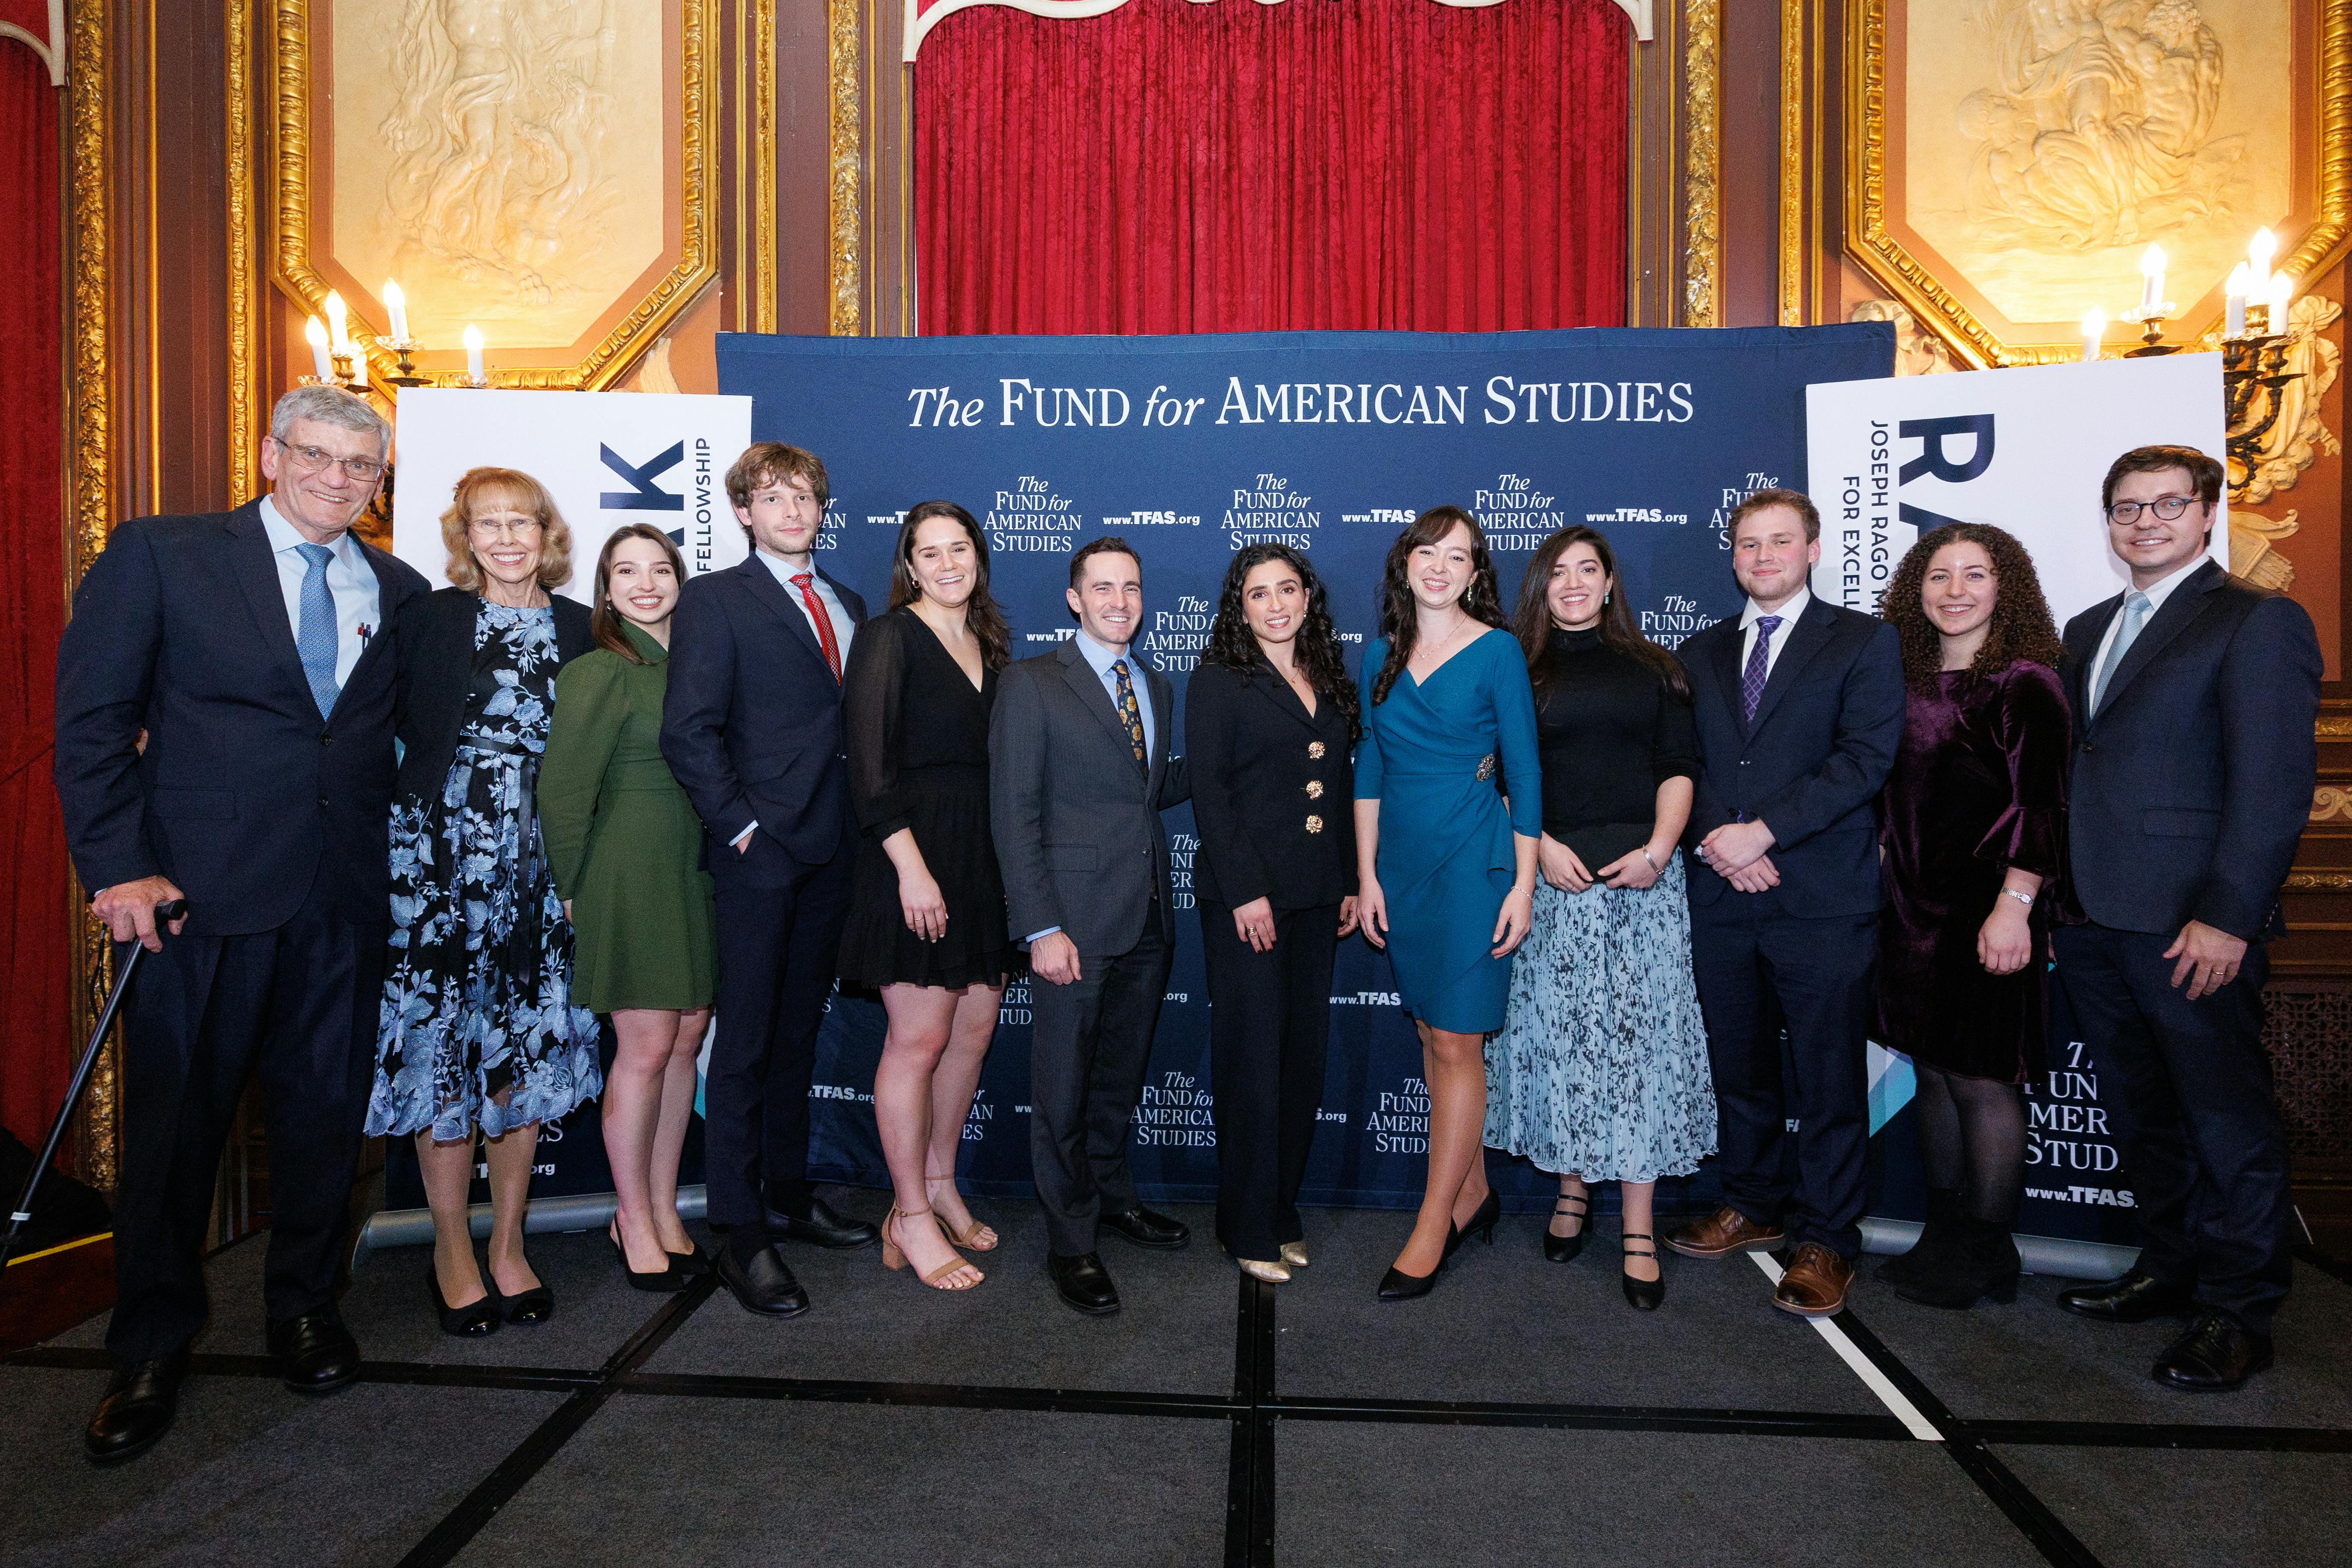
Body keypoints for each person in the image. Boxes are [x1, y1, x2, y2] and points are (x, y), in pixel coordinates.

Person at [54, 385, 428, 1462]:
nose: (336, 479)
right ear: (271, 452)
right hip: (193, 901)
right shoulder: (164, 554)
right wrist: (121, 869)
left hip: (341, 900)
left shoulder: (394, 588)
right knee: (175, 1133)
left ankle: (305, 1308)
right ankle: (150, 1346)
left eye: (360, 466)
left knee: (323, 1120)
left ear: (378, 479)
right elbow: (89, 723)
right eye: (316, 455)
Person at [2051, 445, 2320, 1391]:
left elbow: (2274, 788)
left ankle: (2238, 1311)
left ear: (2207, 515)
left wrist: (2226, 917)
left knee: (2225, 1122)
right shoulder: (2086, 628)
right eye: (2127, 508)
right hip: (2089, 919)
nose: (2145, 523)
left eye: (2167, 506)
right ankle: (2168, 1268)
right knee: (2143, 1115)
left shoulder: (2255, 623)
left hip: (2188, 927)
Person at [370, 467, 601, 1337]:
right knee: (443, 1046)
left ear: (548, 534)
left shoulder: (586, 630)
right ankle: (449, 1247)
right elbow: (363, 727)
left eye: (522, 522)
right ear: (464, 537)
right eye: (487, 523)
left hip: (543, 873)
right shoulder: (427, 620)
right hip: (435, 869)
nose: (506, 538)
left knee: (521, 1045)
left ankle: (508, 1242)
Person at [1662, 489, 1904, 1320]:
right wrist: (1723, 844)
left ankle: (1828, 1237)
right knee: (1740, 1067)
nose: (1762, 556)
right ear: (1730, 555)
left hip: (1820, 897)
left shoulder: (1864, 642)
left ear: (1811, 549)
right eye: (1747, 544)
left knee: (1828, 1075)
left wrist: (1763, 834)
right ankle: (1753, 1200)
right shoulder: (1694, 654)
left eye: (1779, 542)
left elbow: (1864, 759)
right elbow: (1679, 765)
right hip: (1722, 893)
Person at [661, 442, 879, 1320]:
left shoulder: (849, 602)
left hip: (835, 851)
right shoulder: (715, 599)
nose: (792, 509)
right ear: (744, 512)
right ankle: (740, 1232)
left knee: (798, 1036)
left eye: (805, 496)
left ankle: (788, 1194)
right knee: (745, 1047)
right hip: (760, 856)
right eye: (772, 497)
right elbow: (689, 732)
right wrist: (744, 830)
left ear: (823, 509)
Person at [1484, 526, 1712, 1312]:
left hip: (1643, 888)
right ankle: (1573, 1191)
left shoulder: (1655, 669)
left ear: (1611, 584)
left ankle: (1638, 1225)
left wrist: (1658, 849)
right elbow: (1505, 774)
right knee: (1564, 1045)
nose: (1575, 583)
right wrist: (1538, 847)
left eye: (1589, 570)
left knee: (1641, 1053)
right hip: (1551, 884)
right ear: (1540, 586)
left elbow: (1677, 767)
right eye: (1560, 573)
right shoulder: (1517, 669)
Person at [990, 536, 1193, 1316]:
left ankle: (1114, 1198)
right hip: (1069, 923)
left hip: (1145, 914)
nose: (1119, 601)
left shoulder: (1156, 686)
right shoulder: (1034, 683)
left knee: (1116, 1079)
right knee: (1063, 1088)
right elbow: (1014, 812)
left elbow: (1145, 791)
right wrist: (1040, 925)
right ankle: (1070, 1244)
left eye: (1131, 587)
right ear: (1073, 599)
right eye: (1102, 588)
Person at [1872, 523, 2071, 1311]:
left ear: (2005, 587)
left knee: (1985, 1081)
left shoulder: (2025, 683)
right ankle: (1945, 1233)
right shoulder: (1905, 677)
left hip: (1986, 910)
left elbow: (2039, 806)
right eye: (1937, 575)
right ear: (1915, 589)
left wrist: (2014, 908)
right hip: (1910, 909)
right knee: (1932, 1071)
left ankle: (1988, 1250)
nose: (1953, 590)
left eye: (1974, 575)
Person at [1353, 507, 1541, 1302]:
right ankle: (1472, 1195)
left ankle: (1433, 1223)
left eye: (1456, 556)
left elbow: (1525, 775)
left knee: (1459, 1042)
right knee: (1433, 1033)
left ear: (1475, 574)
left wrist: (1524, 885)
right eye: (1426, 552)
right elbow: (1367, 771)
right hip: (1401, 866)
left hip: (1474, 864)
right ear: (1405, 565)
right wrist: (1365, 876)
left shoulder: (1497, 651)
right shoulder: (1375, 657)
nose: (1439, 567)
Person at [838, 502, 1020, 1293]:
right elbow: (869, 770)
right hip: (910, 856)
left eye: (961, 549)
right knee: (917, 1041)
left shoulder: (989, 643)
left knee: (973, 1031)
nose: (948, 563)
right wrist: (912, 871)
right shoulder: (888, 638)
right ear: (908, 565)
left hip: (981, 859)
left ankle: (940, 1184)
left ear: (978, 557)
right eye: (931, 552)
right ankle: (907, 1213)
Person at [539, 525, 718, 1294]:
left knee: (684, 1043)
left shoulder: (701, 667)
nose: (645, 583)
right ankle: (632, 1216)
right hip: (628, 869)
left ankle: (663, 1205)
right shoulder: (598, 671)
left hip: (696, 870)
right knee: (645, 1050)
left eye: (659, 569)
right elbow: (562, 791)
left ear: (681, 579)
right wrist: (575, 887)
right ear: (605, 591)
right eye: (625, 572)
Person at [1187, 544, 1362, 1284]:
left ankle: (1280, 1209)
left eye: (1286, 589)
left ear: (1307, 597)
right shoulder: (1218, 680)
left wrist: (1349, 877)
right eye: (1258, 594)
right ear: (1240, 605)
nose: (1276, 604)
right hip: (1249, 901)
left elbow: (1342, 784)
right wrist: (1244, 891)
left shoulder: (1325, 672)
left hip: (1318, 893)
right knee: (1253, 1063)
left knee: (1300, 1059)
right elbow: (1211, 793)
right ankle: (1242, 1222)